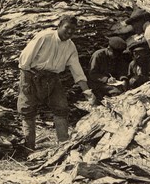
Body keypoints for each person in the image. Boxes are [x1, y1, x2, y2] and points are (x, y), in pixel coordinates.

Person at [18, 15, 95, 150]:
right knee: (27, 110)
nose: (70, 32)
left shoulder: (71, 47)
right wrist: (26, 82)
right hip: (31, 76)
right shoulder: (44, 37)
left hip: (53, 78)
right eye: (67, 28)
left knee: (61, 108)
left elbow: (77, 71)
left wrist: (88, 93)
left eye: (73, 30)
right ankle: (28, 148)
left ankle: (63, 146)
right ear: (59, 26)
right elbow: (25, 59)